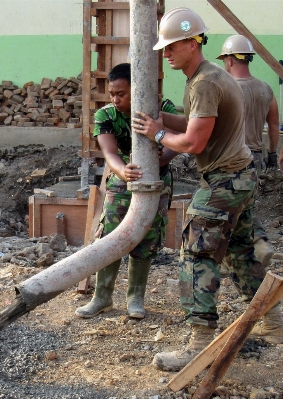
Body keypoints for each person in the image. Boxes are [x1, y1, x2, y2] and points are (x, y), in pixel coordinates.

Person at [132, 7, 283, 371]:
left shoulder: (205, 82)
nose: (165, 53)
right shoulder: (206, 77)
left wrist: (157, 133)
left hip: (225, 181)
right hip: (240, 176)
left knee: (196, 255)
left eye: (171, 47)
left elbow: (195, 142)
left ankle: (199, 342)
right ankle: (276, 323)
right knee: (241, 252)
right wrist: (160, 118)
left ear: (191, 42)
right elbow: (199, 122)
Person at [75, 63, 177, 320]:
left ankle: (135, 299)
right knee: (110, 235)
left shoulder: (163, 109)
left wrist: (161, 158)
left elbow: (177, 143)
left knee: (146, 237)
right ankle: (102, 297)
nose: (115, 99)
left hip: (157, 179)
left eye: (121, 93)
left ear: (138, 89)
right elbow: (109, 153)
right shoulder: (106, 115)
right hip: (122, 180)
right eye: (112, 93)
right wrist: (123, 171)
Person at [217, 34, 279, 268]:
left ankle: (259, 243)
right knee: (244, 204)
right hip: (257, 156)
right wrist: (272, 153)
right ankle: (230, 260)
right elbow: (274, 124)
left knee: (228, 208)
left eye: (225, 59)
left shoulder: (227, 89)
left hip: (232, 158)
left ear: (230, 60)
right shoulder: (265, 89)